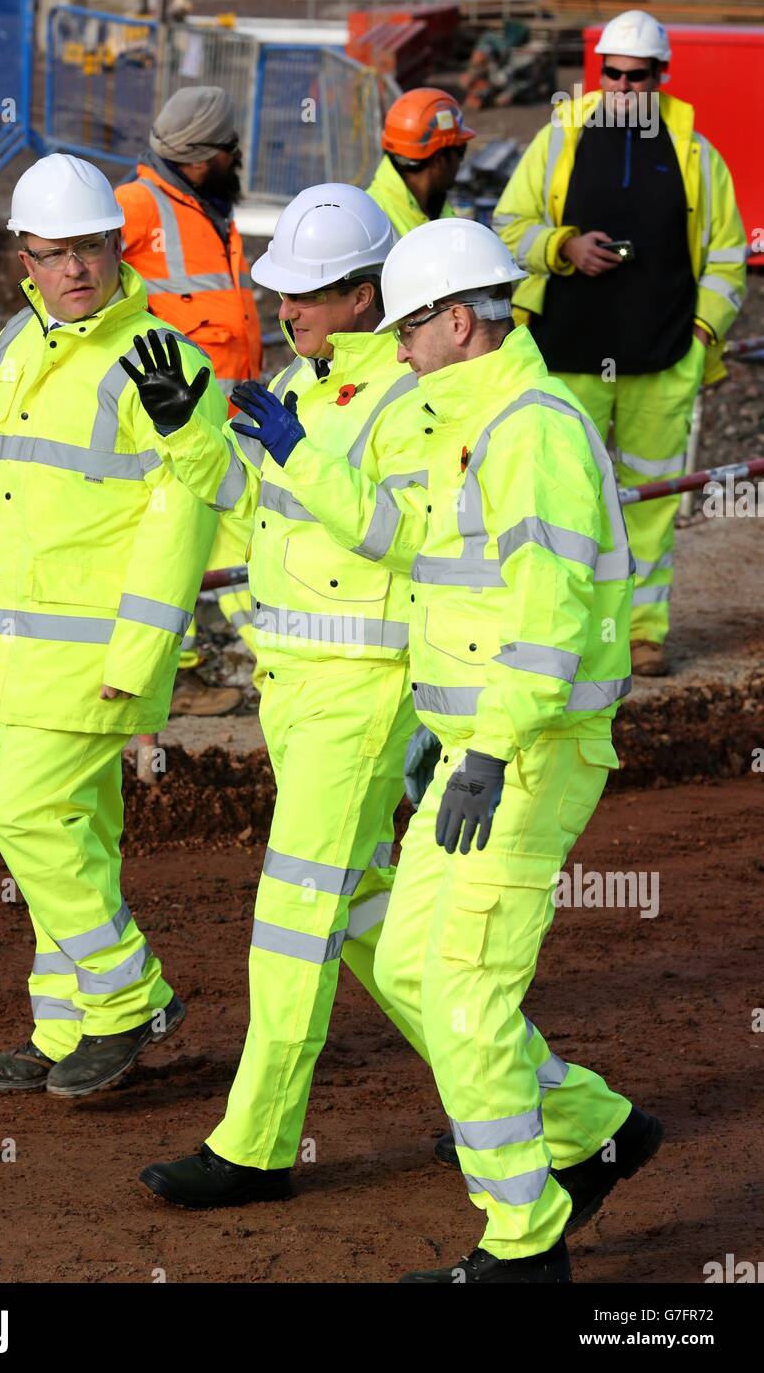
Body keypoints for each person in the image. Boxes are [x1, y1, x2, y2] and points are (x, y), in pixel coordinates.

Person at [226, 219, 661, 1283]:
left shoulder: (531, 432)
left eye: (410, 325)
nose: (398, 344)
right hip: (477, 746)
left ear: (455, 322)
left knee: (463, 996)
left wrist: (484, 751)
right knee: (420, 965)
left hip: (523, 754)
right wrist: (296, 454)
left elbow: (548, 622)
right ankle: (596, 1129)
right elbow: (402, 536)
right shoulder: (460, 419)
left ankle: (523, 1242)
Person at [0, 154, 228, 1097]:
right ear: (24, 257)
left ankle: (128, 996)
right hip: (23, 648)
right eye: (57, 252)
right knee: (76, 836)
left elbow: (184, 518)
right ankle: (66, 1028)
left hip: (99, 653)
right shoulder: (16, 351)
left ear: (117, 247)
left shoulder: (163, 364)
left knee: (21, 816)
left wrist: (142, 657)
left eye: (94, 248)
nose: (77, 268)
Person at [122, 185, 438, 1208]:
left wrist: (302, 458)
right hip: (294, 691)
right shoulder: (303, 387)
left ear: (363, 293)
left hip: (365, 694)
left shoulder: (409, 393)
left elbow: (402, 535)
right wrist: (190, 437)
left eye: (305, 295)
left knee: (295, 914)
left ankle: (255, 1146)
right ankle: (556, 1112)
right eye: (280, 293)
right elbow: (247, 514)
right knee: (364, 922)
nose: (284, 311)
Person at [492, 10, 746, 675]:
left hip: (661, 361)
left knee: (651, 504)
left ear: (661, 77)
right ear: (595, 72)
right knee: (563, 503)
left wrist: (700, 335)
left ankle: (641, 634)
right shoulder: (556, 142)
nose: (624, 88)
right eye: (613, 74)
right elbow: (507, 225)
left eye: (638, 77)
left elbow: (726, 256)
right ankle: (566, 632)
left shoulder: (694, 154)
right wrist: (562, 246)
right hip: (563, 357)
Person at [116, 86, 261, 714]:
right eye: (230, 150)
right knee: (169, 547)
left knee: (235, 544)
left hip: (223, 426)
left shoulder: (210, 207)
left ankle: (278, 656)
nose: (237, 158)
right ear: (203, 156)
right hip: (171, 430)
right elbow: (73, 280)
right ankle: (173, 680)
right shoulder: (137, 206)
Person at [366, 87, 475, 236]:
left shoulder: (436, 205)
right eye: (461, 151)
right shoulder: (372, 220)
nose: (460, 162)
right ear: (440, 160)